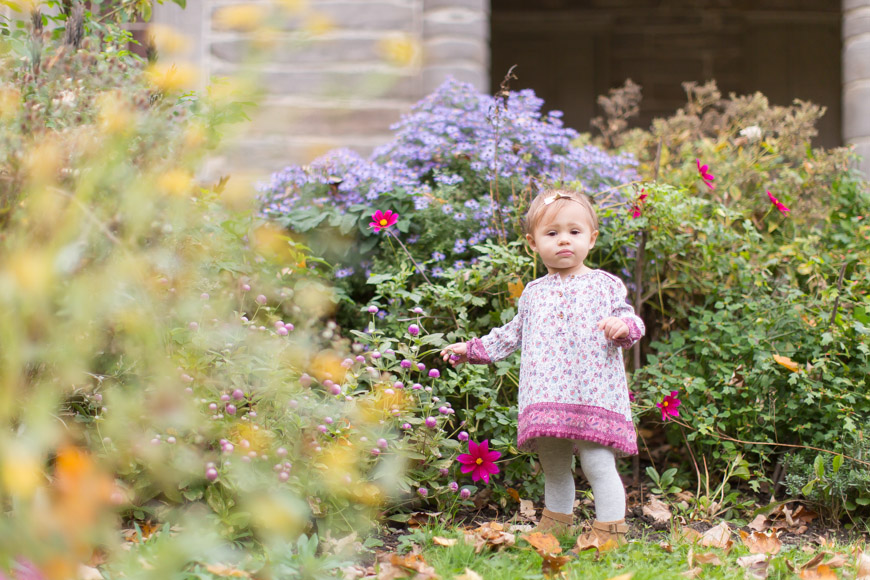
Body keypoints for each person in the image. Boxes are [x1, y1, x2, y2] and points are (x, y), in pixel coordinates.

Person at [440, 189, 644, 546]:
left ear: (591, 238)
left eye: (574, 232)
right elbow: (510, 334)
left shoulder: (605, 285)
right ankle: (557, 524)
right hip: (546, 394)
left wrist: (623, 327)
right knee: (554, 467)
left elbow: (631, 320)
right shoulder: (533, 292)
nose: (564, 240)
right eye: (552, 233)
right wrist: (471, 349)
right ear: (533, 242)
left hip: (592, 393)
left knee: (597, 465)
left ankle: (611, 531)